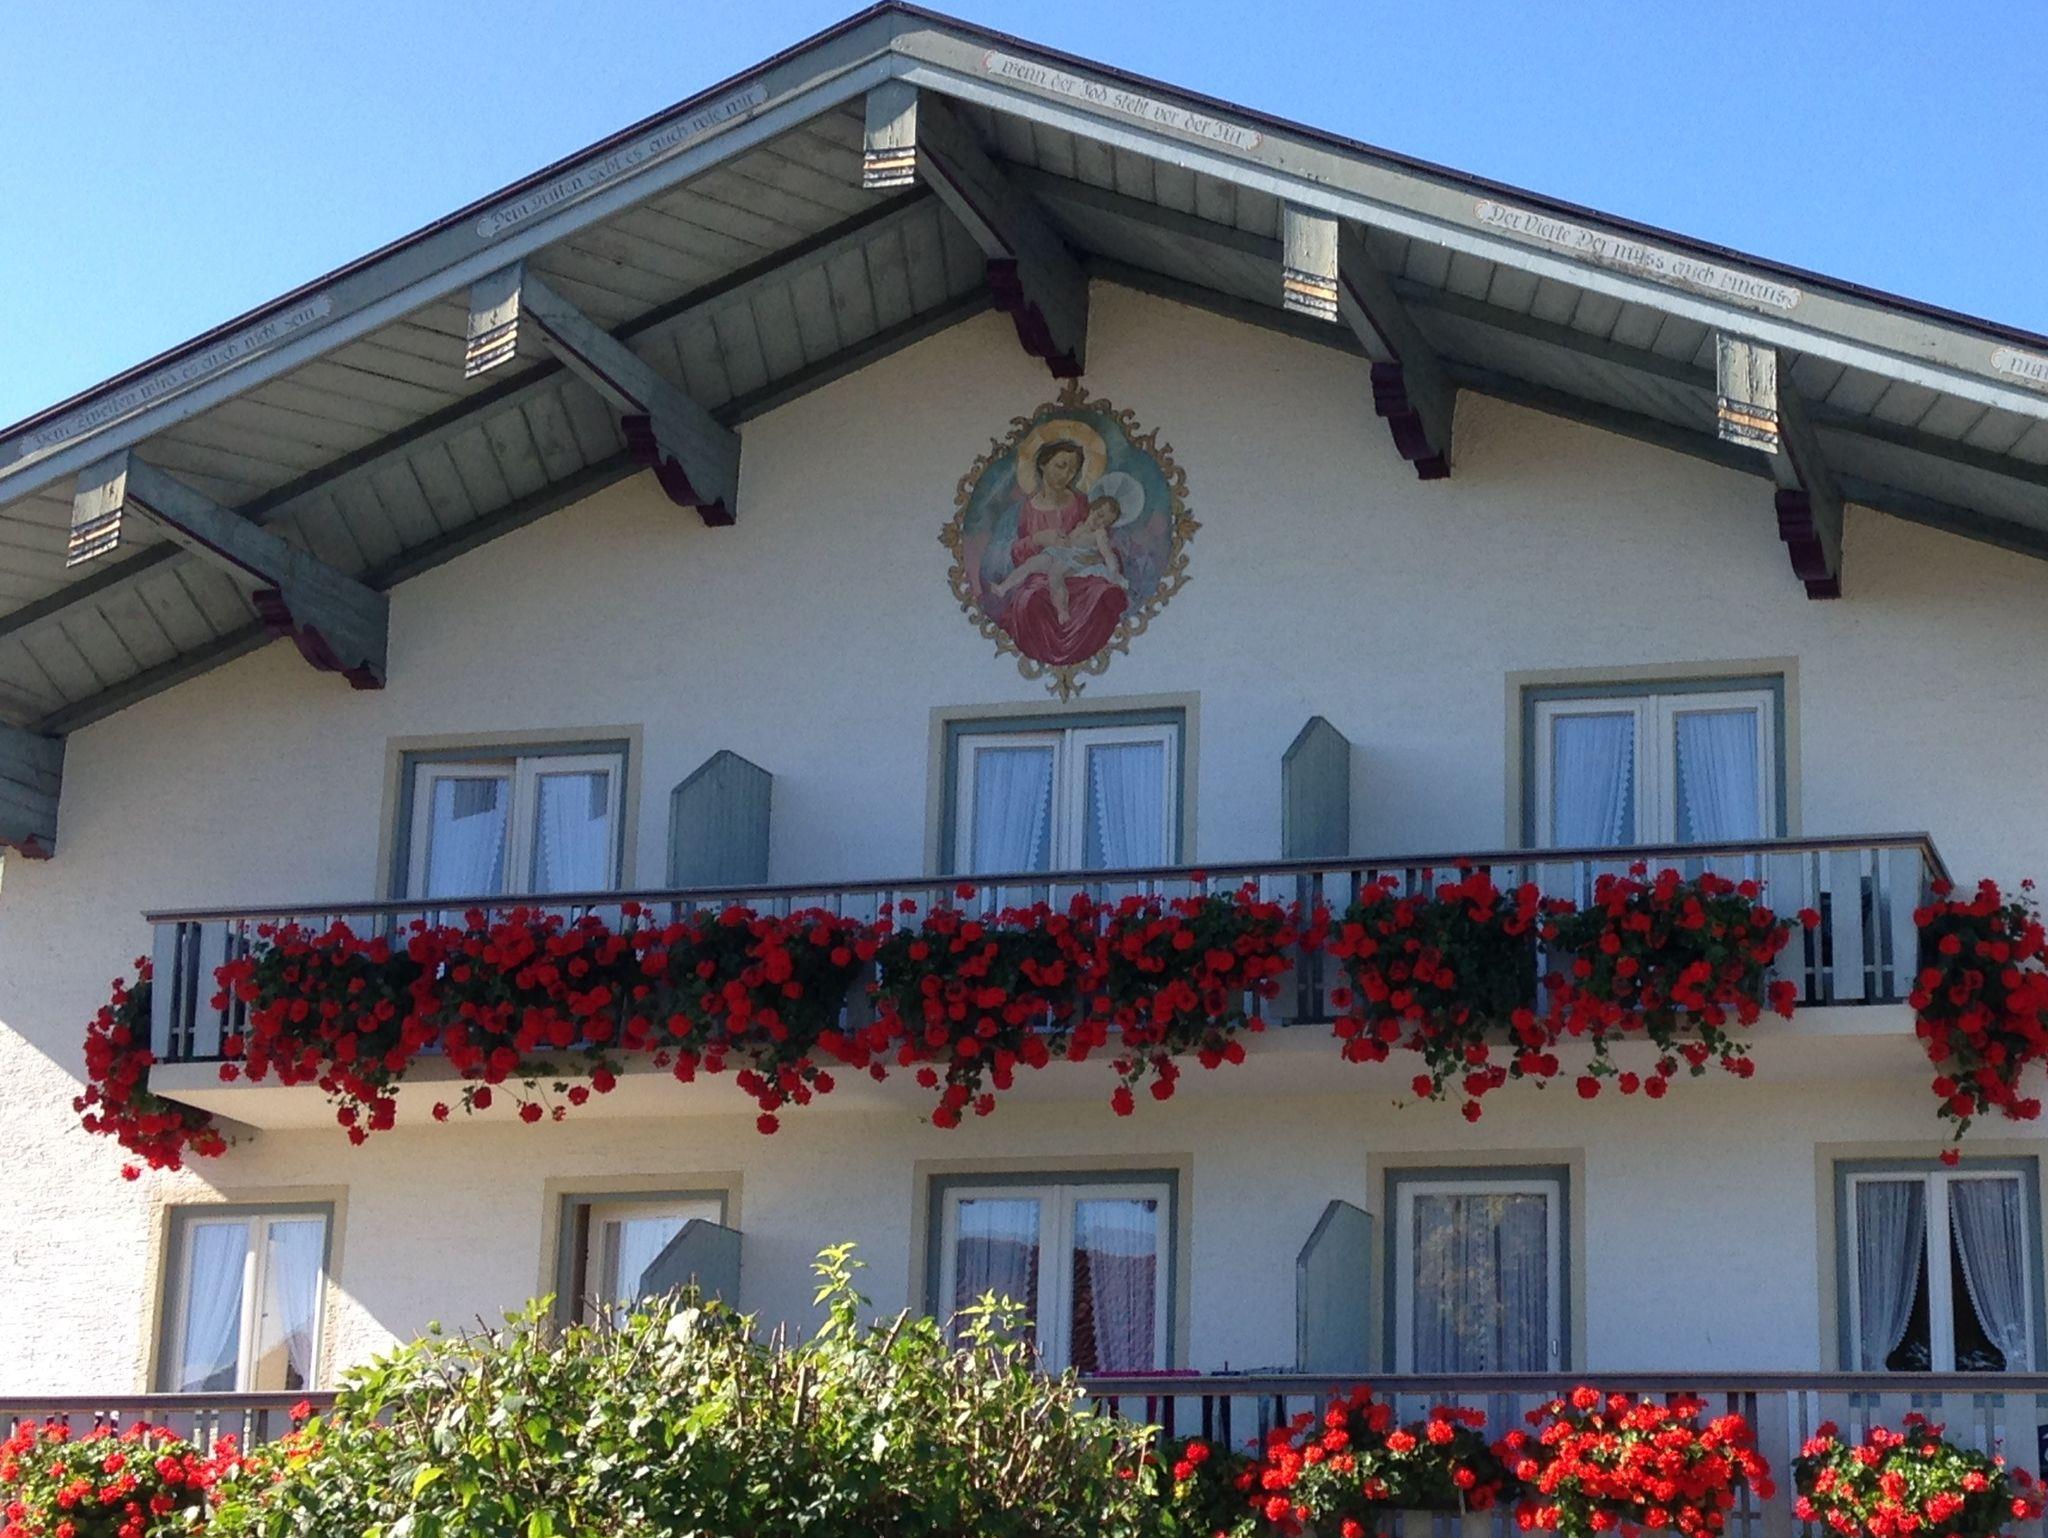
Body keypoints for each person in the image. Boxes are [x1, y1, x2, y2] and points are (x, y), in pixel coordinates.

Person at [990, 495, 1128, 622]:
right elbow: (1070, 541)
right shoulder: (1080, 525)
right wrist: (1062, 538)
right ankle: (1003, 588)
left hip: (1075, 560)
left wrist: (1113, 571)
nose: (1100, 522)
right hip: (1060, 553)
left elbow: (1107, 553)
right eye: (1100, 515)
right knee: (1031, 563)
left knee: (1055, 574)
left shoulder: (1100, 534)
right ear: (1092, 509)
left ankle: (1062, 611)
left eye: (1105, 522)